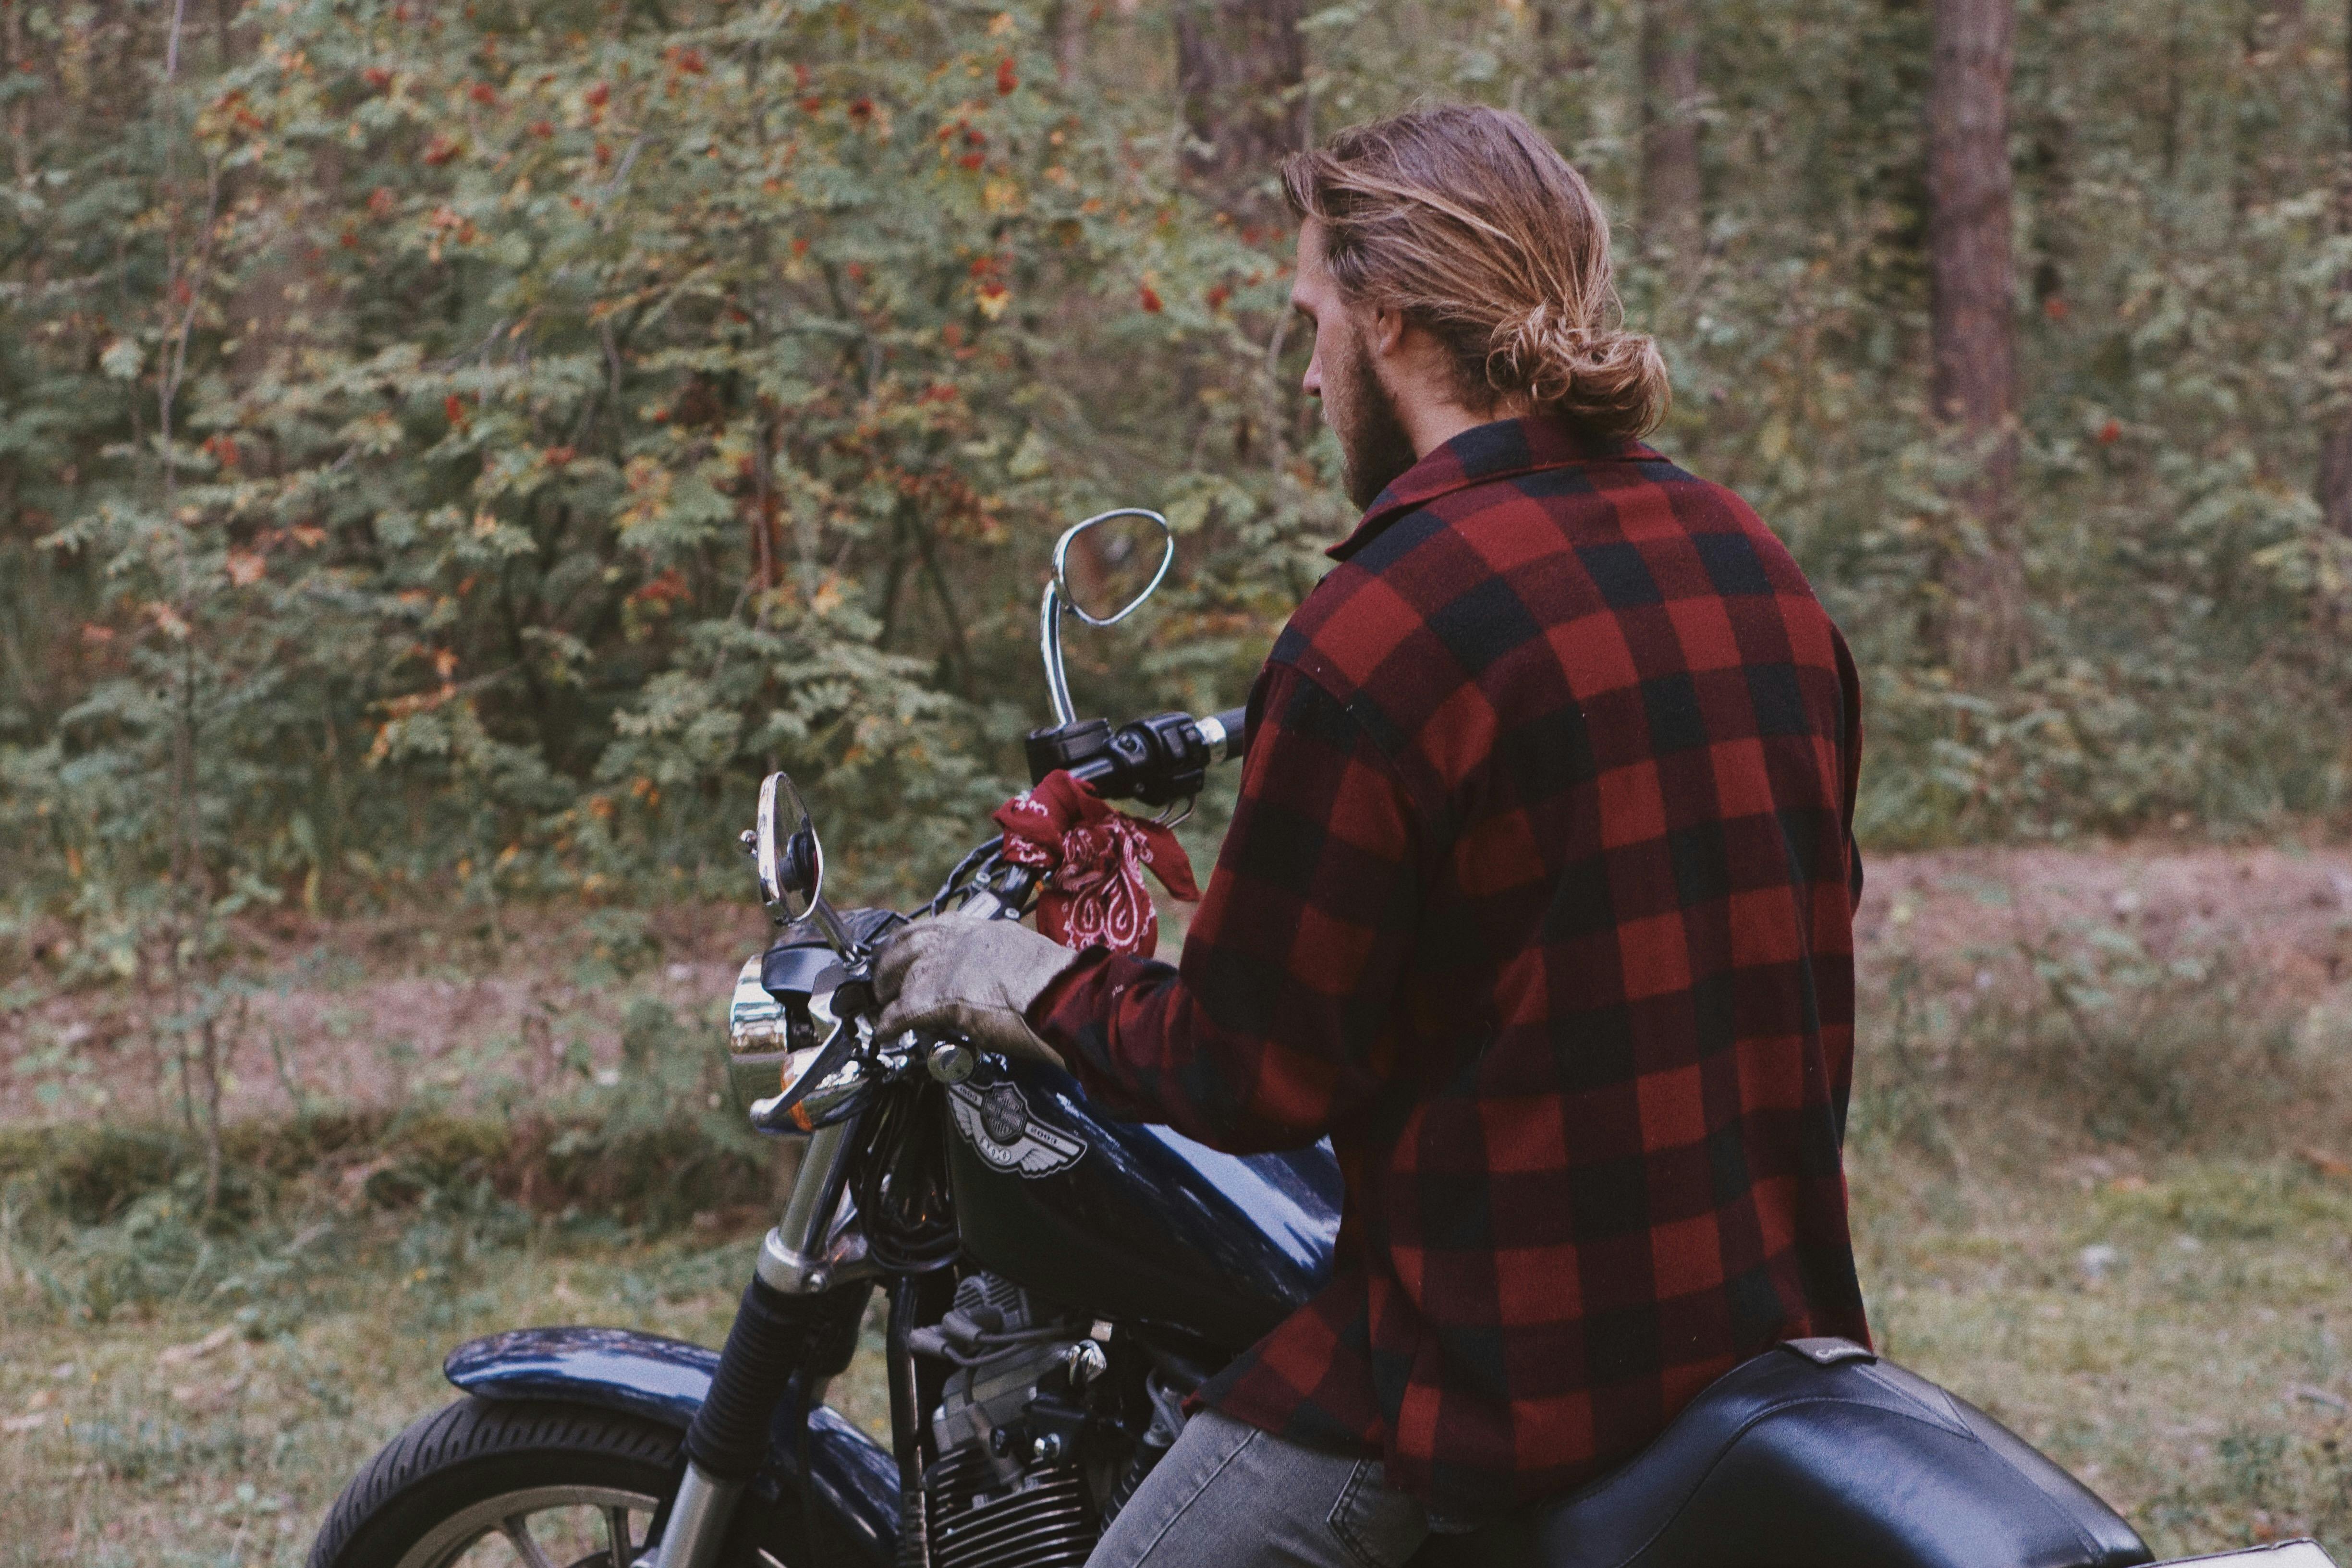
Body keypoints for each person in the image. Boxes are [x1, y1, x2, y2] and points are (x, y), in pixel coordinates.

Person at [874, 102, 1871, 1568]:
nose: (1307, 367)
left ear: (1388, 316)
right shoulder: (1751, 565)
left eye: (1312, 317)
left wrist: (1012, 976)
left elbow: (1246, 1068)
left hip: (1494, 1381)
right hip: (1754, 1334)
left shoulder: (1381, 626)